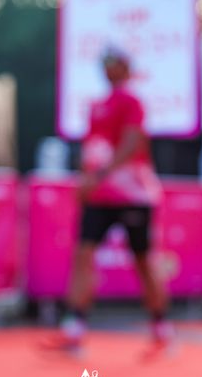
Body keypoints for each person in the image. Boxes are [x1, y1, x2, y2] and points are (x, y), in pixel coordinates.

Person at [43, 46, 173, 357]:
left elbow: (132, 143)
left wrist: (100, 175)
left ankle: (161, 328)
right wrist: (84, 179)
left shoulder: (131, 102)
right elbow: (91, 147)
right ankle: (74, 329)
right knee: (83, 254)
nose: (107, 68)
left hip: (133, 195)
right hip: (99, 195)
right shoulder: (97, 106)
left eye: (114, 63)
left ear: (125, 68)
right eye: (105, 63)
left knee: (143, 261)